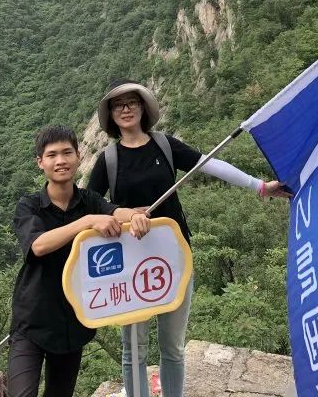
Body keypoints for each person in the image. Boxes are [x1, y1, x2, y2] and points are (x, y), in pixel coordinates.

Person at [87, 80, 287, 397]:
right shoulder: (108, 159)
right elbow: (90, 205)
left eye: (132, 102)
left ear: (142, 108)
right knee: (134, 349)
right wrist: (120, 213)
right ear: (111, 114)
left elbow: (209, 163)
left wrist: (259, 187)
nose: (126, 109)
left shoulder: (164, 145)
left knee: (173, 347)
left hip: (174, 258)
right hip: (131, 265)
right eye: (118, 105)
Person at [8, 125, 151, 397]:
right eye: (52, 155)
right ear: (40, 162)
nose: (60, 161)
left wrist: (134, 216)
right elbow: (38, 245)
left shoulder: (89, 200)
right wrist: (86, 222)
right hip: (32, 320)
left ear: (78, 156)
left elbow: (115, 212)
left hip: (72, 323)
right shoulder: (30, 206)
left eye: (67, 153)